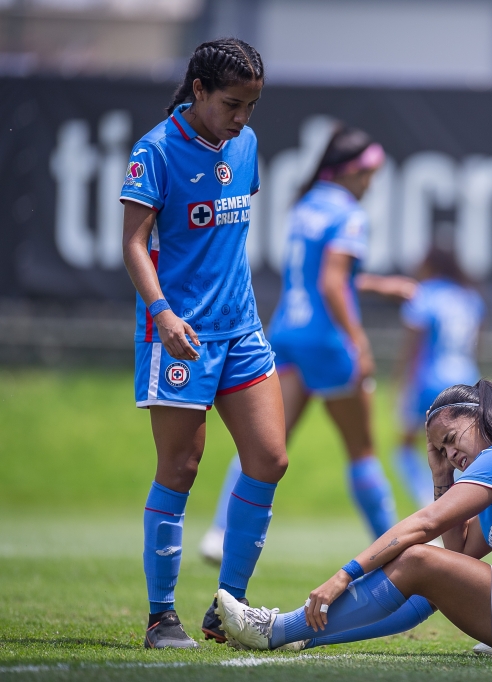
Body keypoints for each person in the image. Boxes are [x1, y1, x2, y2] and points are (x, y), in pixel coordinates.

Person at [213, 380, 492, 660]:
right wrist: (441, 475)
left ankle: (276, 630)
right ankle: (298, 636)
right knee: (431, 576)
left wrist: (345, 573)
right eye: (440, 452)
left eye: (451, 440)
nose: (451, 456)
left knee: (418, 560)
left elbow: (427, 527)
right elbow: (460, 552)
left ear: (482, 417)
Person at [120, 38, 287, 649]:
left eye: (250, 105)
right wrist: (161, 314)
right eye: (231, 103)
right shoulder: (156, 151)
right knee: (182, 467)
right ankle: (161, 617)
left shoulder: (244, 146)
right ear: (198, 91)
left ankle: (229, 607)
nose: (241, 117)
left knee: (270, 458)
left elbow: (223, 242)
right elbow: (134, 243)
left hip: (241, 329)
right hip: (181, 333)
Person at [198, 124, 417, 568]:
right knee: (362, 450)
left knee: (264, 443)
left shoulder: (306, 205)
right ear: (351, 171)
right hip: (328, 342)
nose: (371, 183)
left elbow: (318, 279)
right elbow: (332, 283)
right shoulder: (350, 214)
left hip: (286, 333)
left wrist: (375, 284)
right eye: (369, 173)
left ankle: (220, 532)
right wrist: (360, 342)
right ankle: (392, 546)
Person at [393, 247, 485, 509]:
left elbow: (413, 346)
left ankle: (429, 502)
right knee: (466, 449)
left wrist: (401, 384)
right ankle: (469, 507)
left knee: (406, 447)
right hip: (467, 378)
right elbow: (477, 345)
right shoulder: (469, 297)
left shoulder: (423, 294)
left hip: (429, 379)